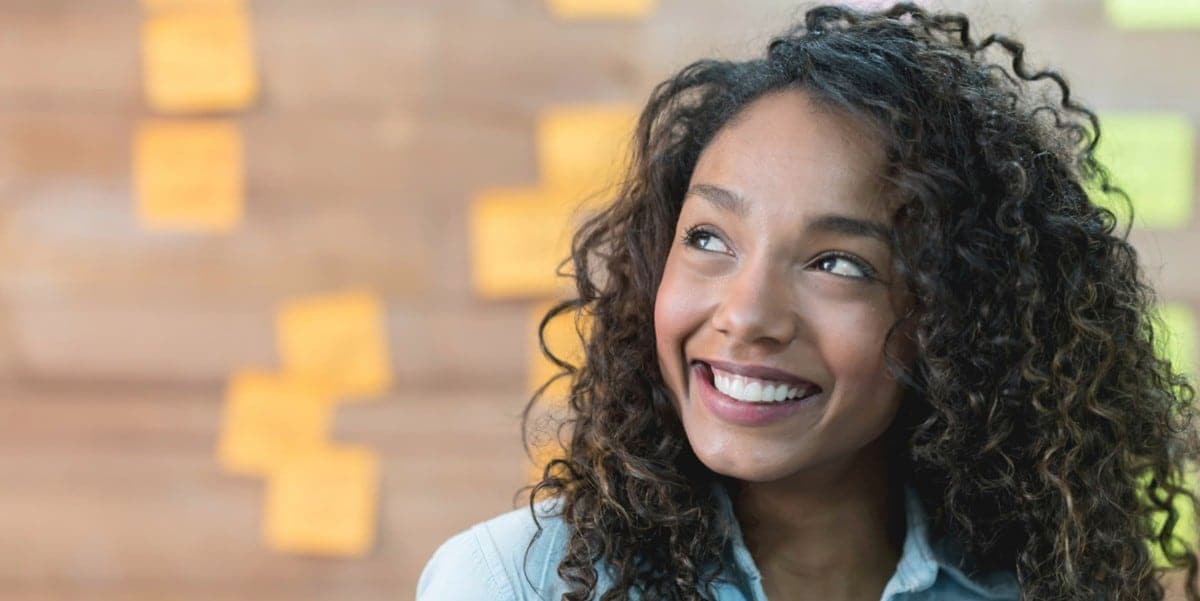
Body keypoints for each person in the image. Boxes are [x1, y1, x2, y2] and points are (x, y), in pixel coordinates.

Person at [417, 2, 1200, 599]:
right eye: (711, 238)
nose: (749, 313)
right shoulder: (509, 582)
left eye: (837, 262)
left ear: (952, 315)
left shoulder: (1030, 584)